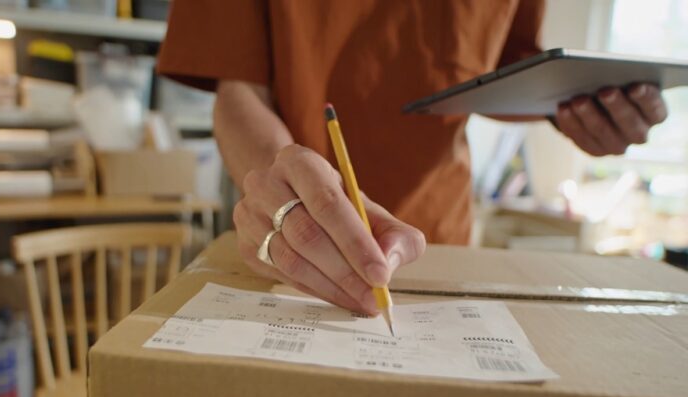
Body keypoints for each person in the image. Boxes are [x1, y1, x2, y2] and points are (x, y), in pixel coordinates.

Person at [157, 1, 668, 315]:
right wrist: (277, 173)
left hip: (444, 250)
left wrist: (575, 103)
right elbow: (237, 83)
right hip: (289, 244)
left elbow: (501, 61)